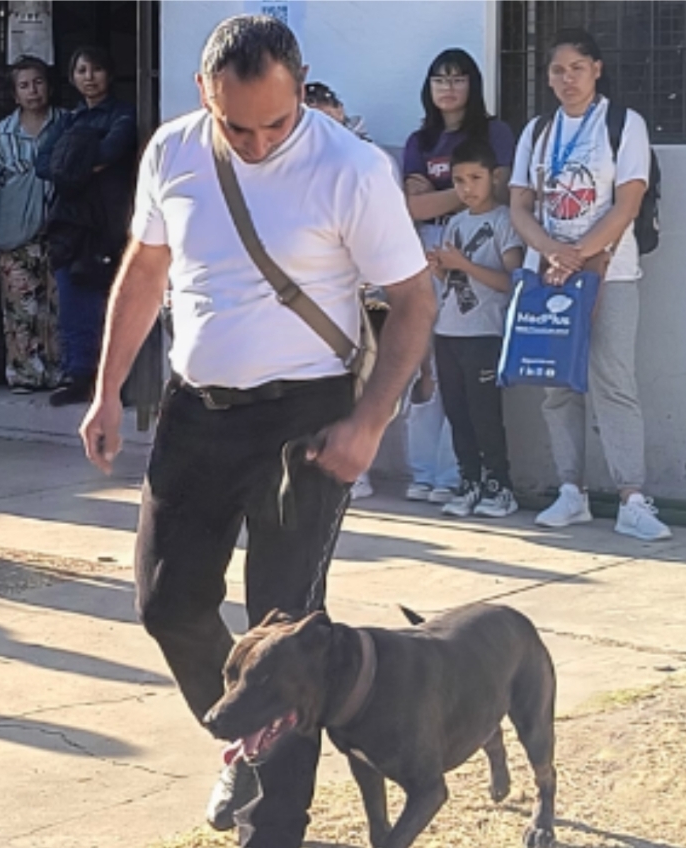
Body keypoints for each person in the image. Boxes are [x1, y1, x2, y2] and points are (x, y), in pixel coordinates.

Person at [78, 16, 435, 848]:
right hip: (195, 411)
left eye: (275, 123)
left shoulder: (350, 168)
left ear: (301, 86)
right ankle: (248, 732)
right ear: (203, 93)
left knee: (287, 630)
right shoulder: (172, 151)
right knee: (166, 603)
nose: (258, 143)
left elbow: (414, 300)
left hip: (304, 419)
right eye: (236, 126)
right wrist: (106, 392)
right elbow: (146, 269)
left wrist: (368, 423)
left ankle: (273, 828)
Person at [508, 27, 672, 541]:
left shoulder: (623, 125)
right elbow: (520, 205)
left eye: (577, 68)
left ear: (596, 70)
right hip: (548, 275)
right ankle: (570, 491)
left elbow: (627, 203)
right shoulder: (538, 131)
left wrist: (577, 256)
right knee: (557, 387)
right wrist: (551, 252)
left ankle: (632, 498)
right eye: (558, 70)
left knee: (613, 383)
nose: (568, 79)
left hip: (610, 272)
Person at [401, 48, 515, 506]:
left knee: (469, 377)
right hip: (431, 249)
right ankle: (425, 472)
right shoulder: (420, 139)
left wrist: (444, 192)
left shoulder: (494, 131)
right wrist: (467, 188)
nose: (448, 88)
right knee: (428, 365)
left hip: (481, 248)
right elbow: (414, 207)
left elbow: (499, 192)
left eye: (458, 78)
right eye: (439, 79)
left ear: (473, 84)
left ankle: (459, 477)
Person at [34, 45, 137, 407]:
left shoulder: (124, 114)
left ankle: (116, 380)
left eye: (96, 69)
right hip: (70, 222)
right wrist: (84, 160)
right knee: (73, 301)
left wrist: (73, 160)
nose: (89, 78)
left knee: (113, 301)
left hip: (110, 220)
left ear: (110, 74)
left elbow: (112, 150)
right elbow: (43, 163)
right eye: (81, 71)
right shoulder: (67, 120)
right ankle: (78, 376)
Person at [426, 138, 523, 518]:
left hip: (484, 332)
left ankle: (500, 485)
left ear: (494, 177)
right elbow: (452, 280)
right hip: (448, 330)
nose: (467, 188)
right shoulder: (455, 222)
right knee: (457, 413)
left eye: (475, 178)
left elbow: (512, 281)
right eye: (458, 181)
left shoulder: (504, 221)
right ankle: (469, 482)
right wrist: (440, 269)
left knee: (485, 414)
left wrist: (463, 265)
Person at [305, 80, 377, 501]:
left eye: (329, 115)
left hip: (359, 283)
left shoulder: (364, 157)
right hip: (308, 289)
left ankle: (356, 466)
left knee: (358, 373)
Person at [0, 55, 65, 393]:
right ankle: (24, 374)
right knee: (20, 308)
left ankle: (60, 372)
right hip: (16, 233)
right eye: (24, 85)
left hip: (61, 229)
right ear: (14, 94)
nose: (33, 91)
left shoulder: (66, 123)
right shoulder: (0, 134)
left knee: (59, 304)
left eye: (38, 82)